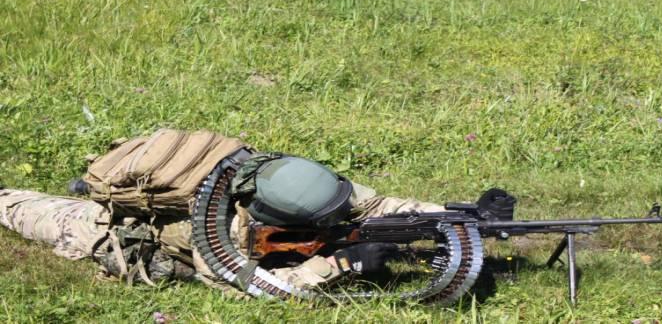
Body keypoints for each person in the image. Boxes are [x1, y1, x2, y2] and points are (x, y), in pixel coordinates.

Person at [0, 129, 447, 298]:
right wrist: (340, 265)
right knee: (26, 210)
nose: (339, 216)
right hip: (112, 234)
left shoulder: (302, 186)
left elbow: (376, 206)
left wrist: (449, 215)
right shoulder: (219, 236)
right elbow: (258, 287)